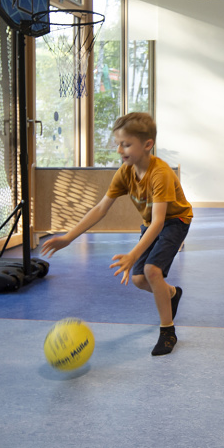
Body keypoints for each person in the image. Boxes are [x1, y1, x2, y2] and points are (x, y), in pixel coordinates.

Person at [40, 112, 191, 356]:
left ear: (147, 144)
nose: (120, 149)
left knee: (152, 271)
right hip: (151, 222)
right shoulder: (125, 171)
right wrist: (69, 237)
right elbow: (100, 208)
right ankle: (172, 293)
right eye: (118, 144)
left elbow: (160, 222)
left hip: (175, 221)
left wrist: (132, 255)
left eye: (126, 144)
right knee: (140, 280)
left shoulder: (159, 173)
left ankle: (167, 331)